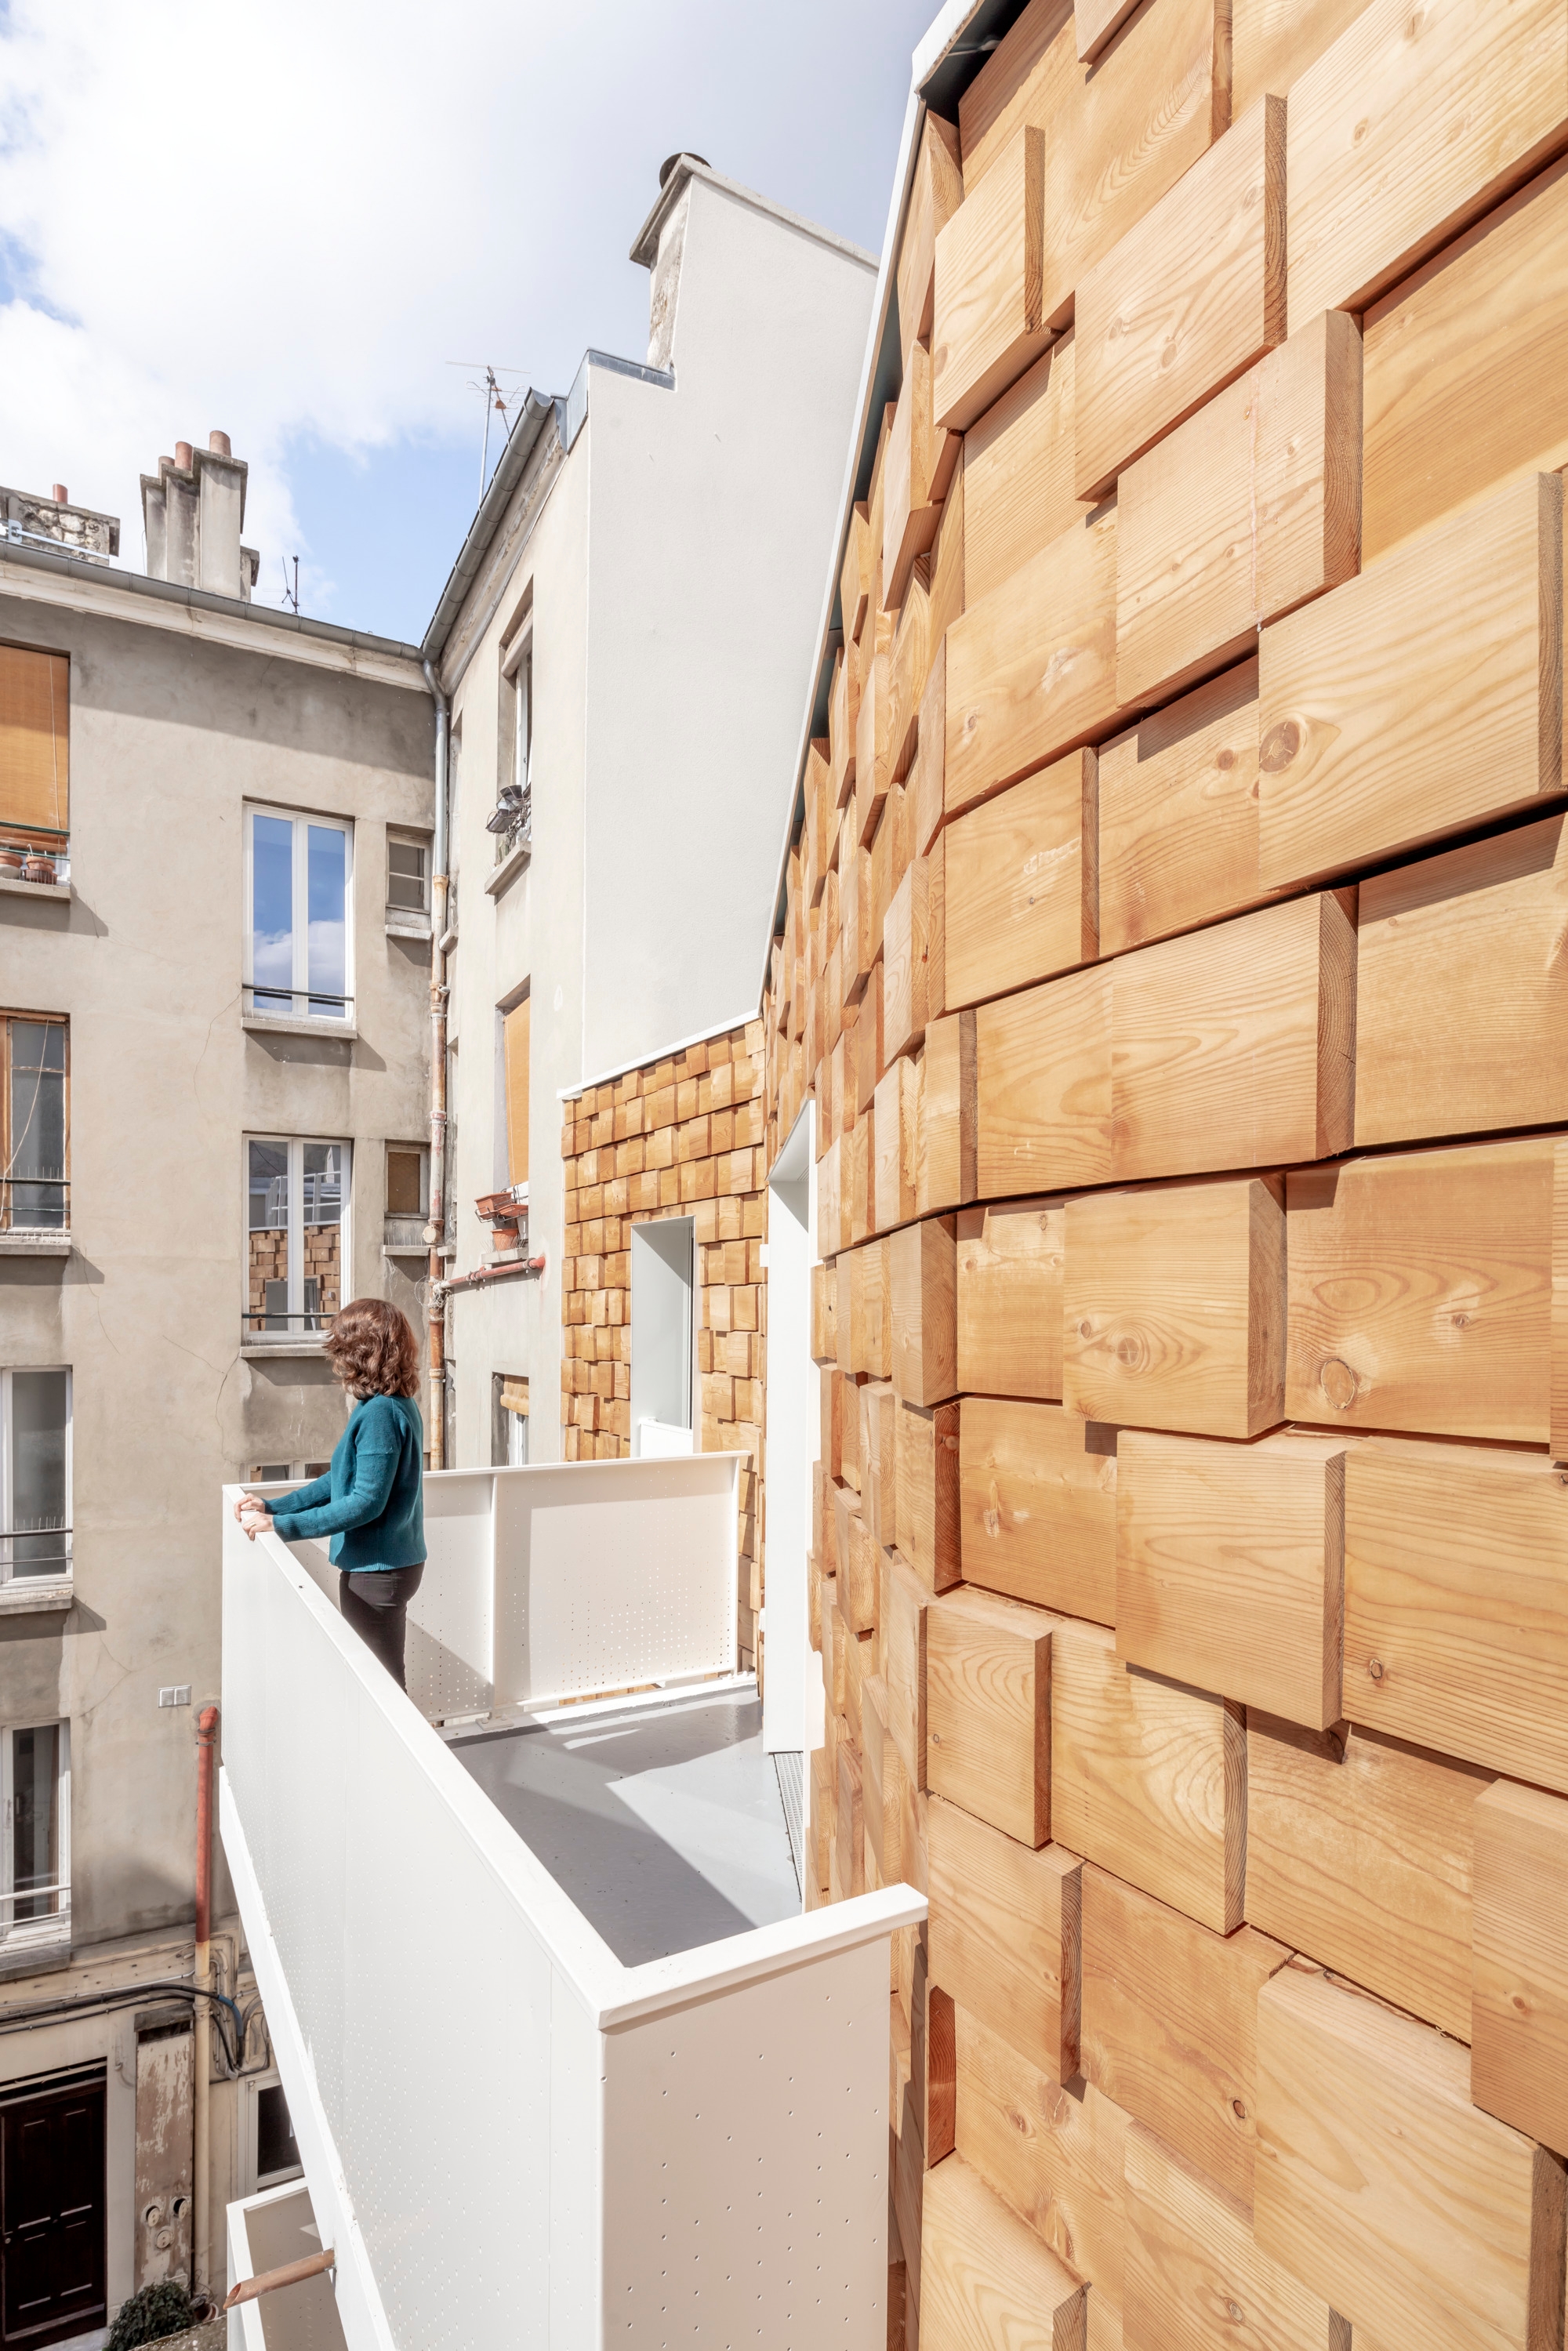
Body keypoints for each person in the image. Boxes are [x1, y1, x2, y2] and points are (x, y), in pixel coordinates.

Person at [234, 1297, 426, 1691]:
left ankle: (393, 1754)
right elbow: (340, 1480)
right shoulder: (388, 1405)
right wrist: (274, 1506)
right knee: (380, 1678)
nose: (336, 1359)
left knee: (382, 1685)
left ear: (360, 1352)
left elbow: (365, 1503)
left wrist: (284, 1525)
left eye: (340, 1347)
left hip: (377, 1573)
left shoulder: (381, 1414)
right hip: (385, 1567)